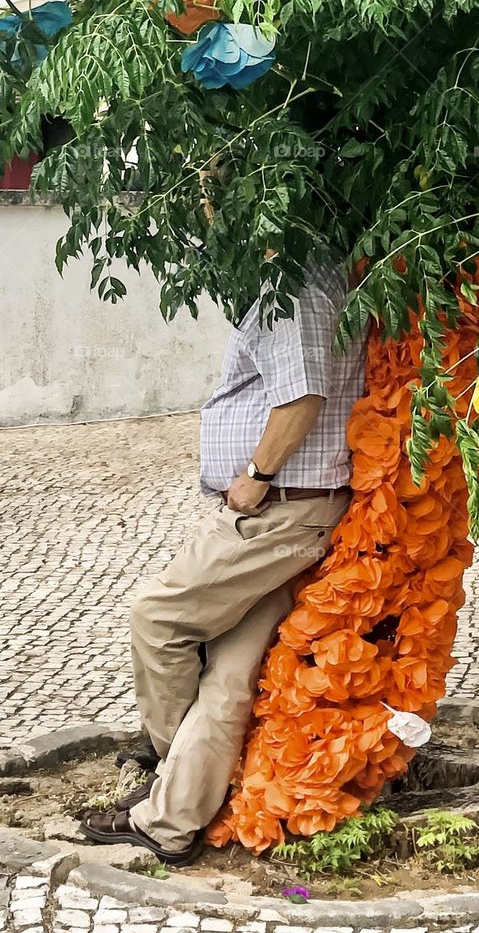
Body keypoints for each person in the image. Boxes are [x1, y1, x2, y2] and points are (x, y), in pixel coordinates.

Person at [82, 263, 367, 863]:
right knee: (231, 673)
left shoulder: (299, 280)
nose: (208, 196)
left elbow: (302, 397)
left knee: (158, 619)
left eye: (212, 175)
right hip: (296, 510)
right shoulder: (312, 275)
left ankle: (171, 774)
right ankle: (173, 817)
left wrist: (256, 478)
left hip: (277, 510)